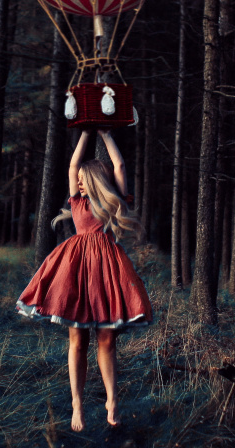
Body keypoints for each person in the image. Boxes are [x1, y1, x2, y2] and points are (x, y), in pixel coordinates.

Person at [16, 129, 153, 431]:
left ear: (94, 179)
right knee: (77, 340)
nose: (78, 181)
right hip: (76, 270)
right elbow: (71, 165)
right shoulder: (77, 202)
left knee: (107, 339)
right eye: (77, 179)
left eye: (82, 178)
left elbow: (119, 166)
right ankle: (77, 404)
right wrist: (86, 133)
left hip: (107, 270)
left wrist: (105, 134)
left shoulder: (114, 200)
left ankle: (112, 401)